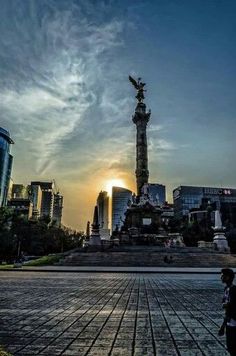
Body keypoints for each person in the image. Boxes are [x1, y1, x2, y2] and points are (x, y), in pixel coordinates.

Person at [218, 268, 236, 355]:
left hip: (234, 320)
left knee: (232, 346)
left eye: (222, 276)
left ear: (228, 277)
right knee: (229, 346)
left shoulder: (234, 290)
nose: (220, 277)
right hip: (229, 321)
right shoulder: (226, 288)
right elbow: (225, 304)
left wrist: (222, 326)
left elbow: (231, 307)